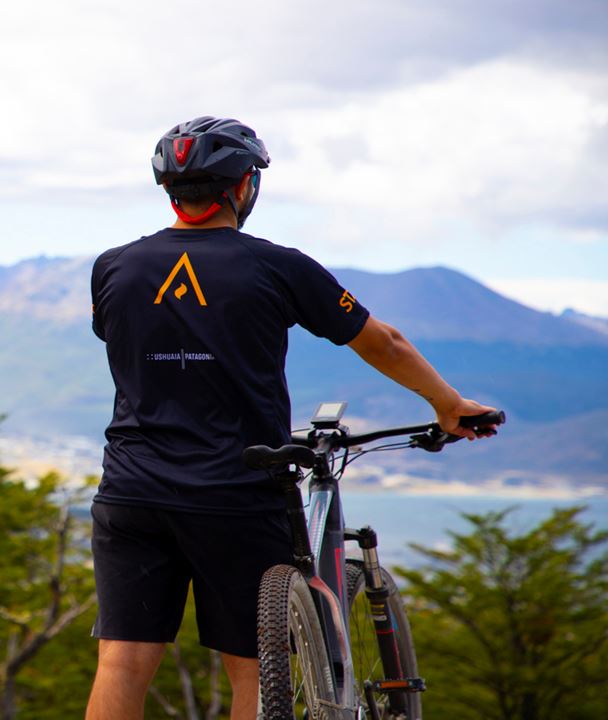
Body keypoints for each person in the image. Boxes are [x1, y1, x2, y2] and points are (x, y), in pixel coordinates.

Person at [85, 116, 497, 720]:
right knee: (255, 667)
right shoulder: (276, 266)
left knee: (122, 663)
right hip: (236, 491)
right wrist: (447, 404)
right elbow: (384, 342)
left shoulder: (113, 267)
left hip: (131, 490)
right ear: (244, 187)